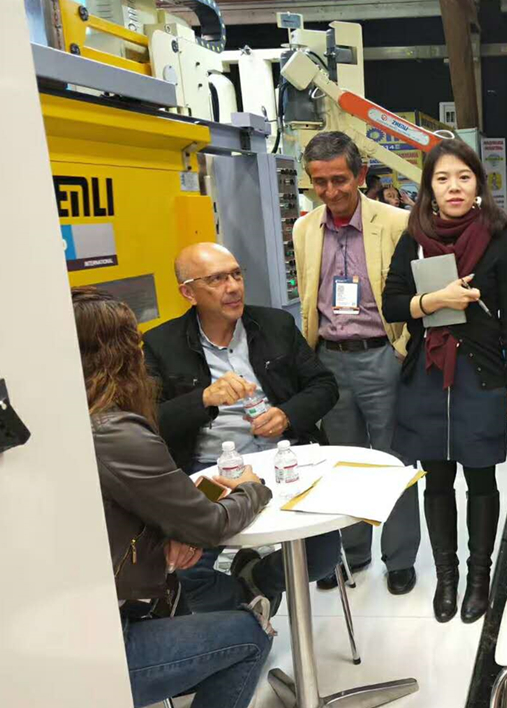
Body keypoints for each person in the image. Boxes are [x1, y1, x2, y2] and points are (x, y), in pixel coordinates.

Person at [76, 287, 273, 708]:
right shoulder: (115, 433)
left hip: (84, 613)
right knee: (249, 635)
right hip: (104, 639)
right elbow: (210, 524)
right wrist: (252, 488)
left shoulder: (68, 421)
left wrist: (171, 530)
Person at [143, 243, 342, 613]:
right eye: (217, 279)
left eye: (236, 274)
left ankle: (256, 580)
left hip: (285, 463)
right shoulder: (160, 344)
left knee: (321, 556)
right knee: (187, 572)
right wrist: (203, 399)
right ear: (188, 292)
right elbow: (149, 422)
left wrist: (287, 415)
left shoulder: (275, 325)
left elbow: (324, 386)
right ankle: (248, 613)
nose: (233, 287)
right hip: (210, 474)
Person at [383, 138, 507, 624]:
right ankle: (447, 578)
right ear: (429, 187)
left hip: (480, 375)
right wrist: (435, 301)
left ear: (478, 183)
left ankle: (479, 578)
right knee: (437, 481)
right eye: (442, 178)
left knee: (482, 479)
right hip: (427, 374)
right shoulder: (414, 237)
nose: (454, 187)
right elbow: (391, 304)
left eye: (463, 177)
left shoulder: (500, 238)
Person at [293, 131, 421, 595]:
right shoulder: (305, 229)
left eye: (339, 180)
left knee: (394, 460)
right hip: (329, 359)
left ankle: (399, 557)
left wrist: (402, 350)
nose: (330, 192)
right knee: (342, 462)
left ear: (361, 175)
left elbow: (416, 293)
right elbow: (308, 294)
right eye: (319, 182)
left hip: (383, 354)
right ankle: (351, 551)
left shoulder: (398, 223)